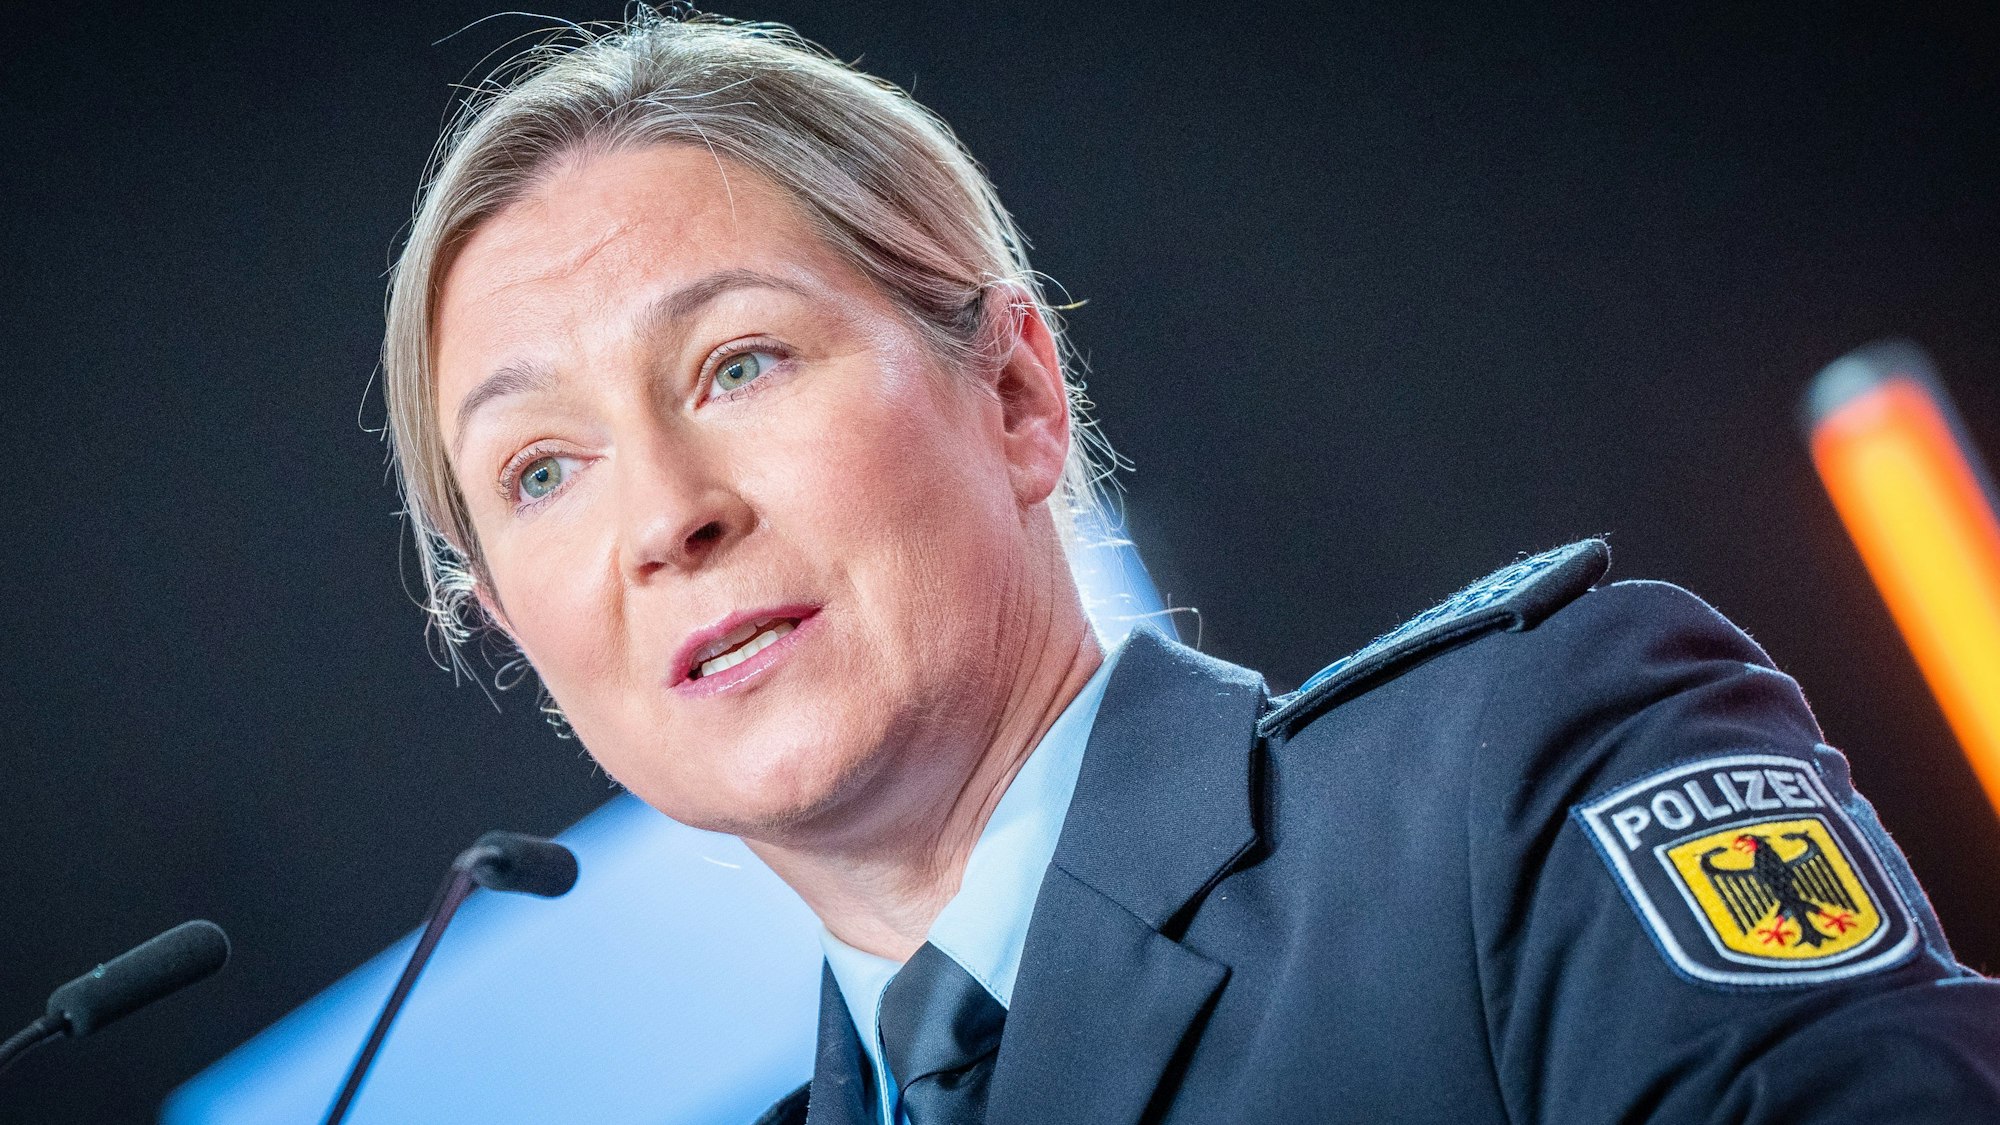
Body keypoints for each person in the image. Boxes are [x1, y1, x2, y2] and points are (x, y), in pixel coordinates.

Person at [379, 11, 2000, 1124]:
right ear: (509, 626)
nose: (664, 515)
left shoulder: (1518, 777)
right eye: (541, 470)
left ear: (1015, 392)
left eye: (738, 363)